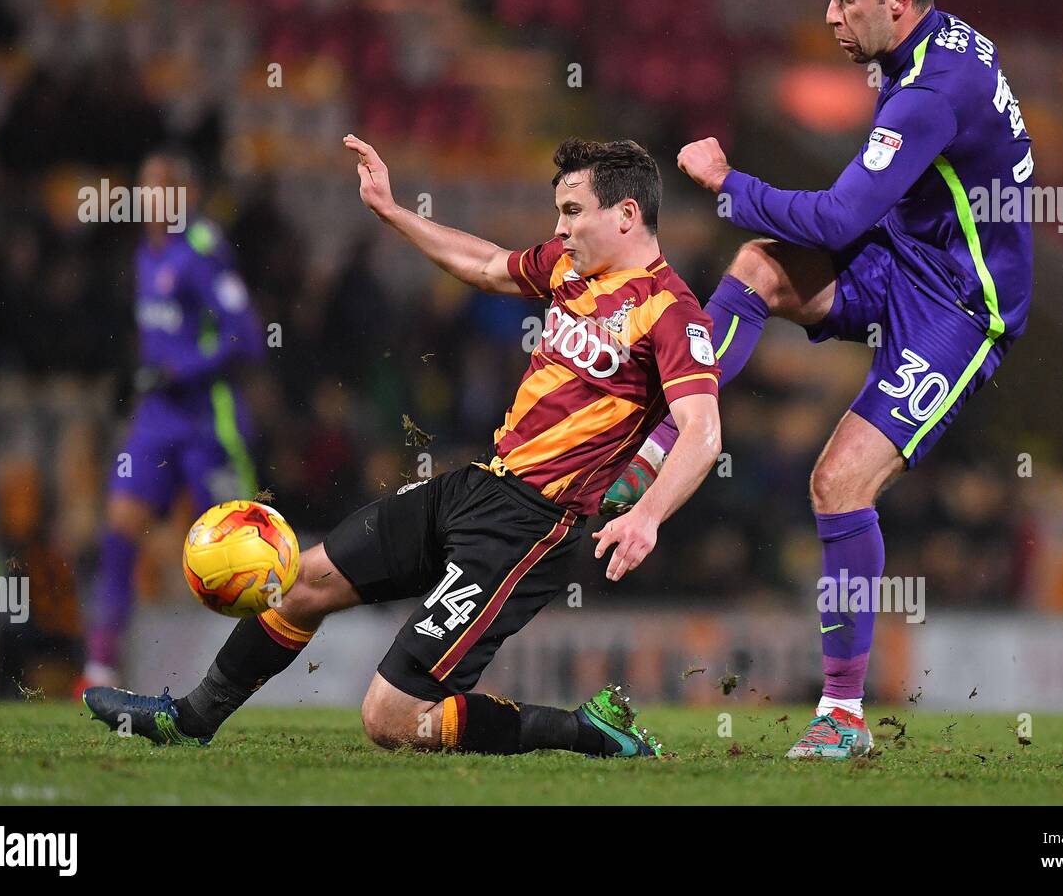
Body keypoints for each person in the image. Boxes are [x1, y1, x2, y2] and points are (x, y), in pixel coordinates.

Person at [85, 136, 722, 757]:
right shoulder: (568, 268)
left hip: (532, 526)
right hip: (477, 484)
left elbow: (701, 429)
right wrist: (393, 213)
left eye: (573, 212)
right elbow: (483, 264)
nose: (559, 228)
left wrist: (646, 514)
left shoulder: (670, 311)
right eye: (559, 211)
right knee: (303, 581)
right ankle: (190, 720)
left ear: (627, 214)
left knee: (391, 717)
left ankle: (586, 730)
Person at [602, 0, 1034, 759]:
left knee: (837, 484)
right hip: (908, 261)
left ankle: (842, 716)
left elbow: (840, 217)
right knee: (759, 267)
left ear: (897, 0)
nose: (830, 14)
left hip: (962, 310)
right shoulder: (931, 49)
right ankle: (664, 443)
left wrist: (730, 183)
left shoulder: (929, 91)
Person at [81, 151, 261, 690]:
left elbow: (246, 339)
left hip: (210, 420)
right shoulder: (145, 254)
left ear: (186, 194)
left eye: (162, 189)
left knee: (242, 554)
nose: (151, 200)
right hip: (158, 420)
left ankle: (265, 667)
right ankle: (98, 665)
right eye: (145, 189)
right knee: (118, 529)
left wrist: (180, 369)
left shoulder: (202, 251)